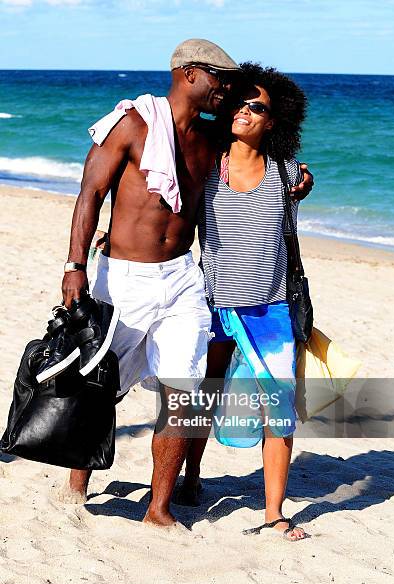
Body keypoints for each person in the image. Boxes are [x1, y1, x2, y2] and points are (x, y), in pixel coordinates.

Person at [58, 40, 314, 527]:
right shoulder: (132, 124)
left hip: (182, 278)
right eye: (221, 80)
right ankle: (78, 480)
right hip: (124, 277)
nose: (227, 91)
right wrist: (75, 265)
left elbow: (258, 157)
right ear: (191, 74)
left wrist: (299, 177)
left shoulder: (211, 139)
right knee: (101, 385)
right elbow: (90, 192)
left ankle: (159, 508)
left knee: (186, 391)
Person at [178, 63, 310, 540]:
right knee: (203, 395)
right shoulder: (205, 164)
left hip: (270, 307)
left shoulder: (287, 173)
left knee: (279, 408)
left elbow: (301, 188)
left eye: (256, 107)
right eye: (239, 103)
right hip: (213, 302)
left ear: (273, 121)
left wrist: (305, 179)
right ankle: (189, 477)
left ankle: (274, 510)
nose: (244, 112)